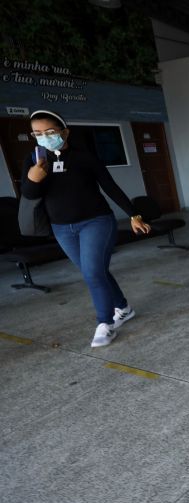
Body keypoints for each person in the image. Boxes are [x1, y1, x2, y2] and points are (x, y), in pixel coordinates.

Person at [21, 110, 151, 347]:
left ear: (65, 132)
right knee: (96, 272)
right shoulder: (34, 160)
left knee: (93, 273)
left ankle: (105, 323)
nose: (44, 137)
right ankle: (123, 307)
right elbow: (29, 195)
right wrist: (33, 178)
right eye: (37, 133)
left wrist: (134, 214)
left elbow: (110, 186)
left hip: (96, 222)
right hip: (62, 228)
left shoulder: (85, 157)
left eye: (50, 132)